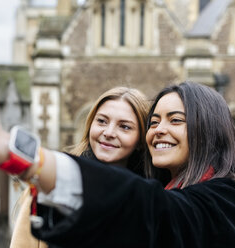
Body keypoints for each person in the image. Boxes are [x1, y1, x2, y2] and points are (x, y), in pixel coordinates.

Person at [0, 44, 235, 247]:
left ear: (210, 129)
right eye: (156, 120)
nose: (160, 130)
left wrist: (2, 145)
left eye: (176, 120)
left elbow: (150, 210)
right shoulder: (172, 186)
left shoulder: (229, 199)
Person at [10, 86, 149, 248]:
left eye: (125, 126)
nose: (109, 132)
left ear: (140, 140)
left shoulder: (149, 199)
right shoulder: (51, 183)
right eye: (102, 121)